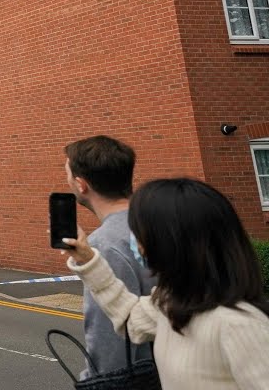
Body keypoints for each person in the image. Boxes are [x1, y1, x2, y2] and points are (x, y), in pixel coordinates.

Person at [63, 178, 269, 389]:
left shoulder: (239, 325)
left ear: (170, 241)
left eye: (139, 232)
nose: (136, 243)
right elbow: (131, 318)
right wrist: (87, 261)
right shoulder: (171, 304)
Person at [63, 135, 154, 378]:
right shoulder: (160, 223)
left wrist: (100, 382)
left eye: (68, 175)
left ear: (81, 185)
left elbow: (109, 337)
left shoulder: (103, 244)